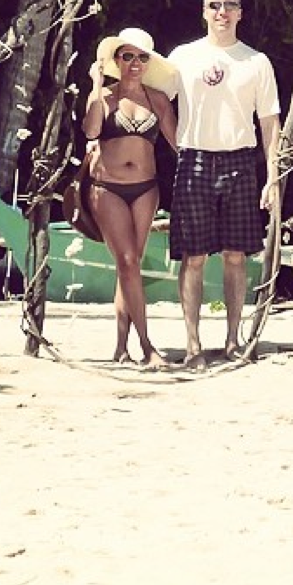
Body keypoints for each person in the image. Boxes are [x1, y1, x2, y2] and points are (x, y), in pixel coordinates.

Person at [167, 0, 281, 367]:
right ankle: (193, 347)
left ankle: (233, 341)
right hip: (195, 160)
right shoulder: (183, 57)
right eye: (214, 5)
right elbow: (155, 100)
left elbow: (269, 123)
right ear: (204, 12)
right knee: (194, 257)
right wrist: (177, 142)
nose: (222, 12)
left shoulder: (256, 62)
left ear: (239, 13)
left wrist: (272, 178)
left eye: (229, 5)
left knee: (235, 255)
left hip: (240, 161)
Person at [82, 26, 178, 368]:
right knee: (127, 261)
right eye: (127, 56)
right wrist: (96, 85)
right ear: (116, 60)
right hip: (107, 187)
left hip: (146, 189)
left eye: (141, 57)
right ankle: (147, 346)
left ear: (148, 63)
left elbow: (179, 144)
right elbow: (92, 130)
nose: (135, 63)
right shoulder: (103, 97)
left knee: (130, 265)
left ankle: (121, 348)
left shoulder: (158, 100)